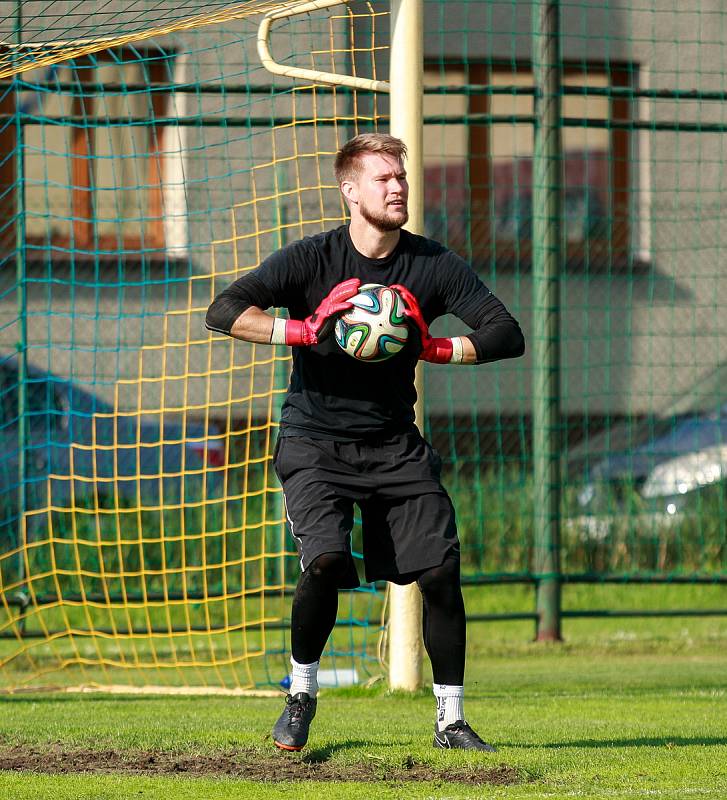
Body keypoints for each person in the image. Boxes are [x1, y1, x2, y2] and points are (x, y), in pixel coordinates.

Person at [205, 133, 525, 752]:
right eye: (383, 178)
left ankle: (451, 721)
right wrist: (303, 329)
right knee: (325, 561)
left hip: (393, 444)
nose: (398, 186)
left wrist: (434, 347)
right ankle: (301, 695)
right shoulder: (312, 258)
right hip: (314, 441)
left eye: (401, 176)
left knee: (440, 570)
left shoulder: (433, 265)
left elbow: (505, 333)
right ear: (350, 191)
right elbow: (224, 311)